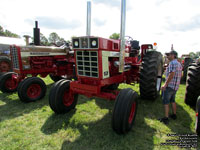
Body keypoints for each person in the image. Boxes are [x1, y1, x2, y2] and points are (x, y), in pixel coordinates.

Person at [159, 50, 182, 124]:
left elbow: (171, 74)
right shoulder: (179, 64)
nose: (167, 56)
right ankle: (174, 115)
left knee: (166, 102)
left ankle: (166, 118)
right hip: (175, 87)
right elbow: (180, 75)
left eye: (168, 55)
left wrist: (165, 84)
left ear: (173, 55)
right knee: (172, 100)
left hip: (170, 86)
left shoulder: (172, 63)